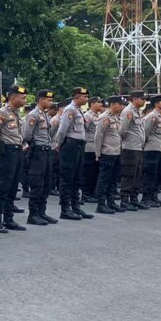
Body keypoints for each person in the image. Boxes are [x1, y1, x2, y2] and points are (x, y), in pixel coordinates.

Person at [0, 86, 28, 232]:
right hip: (7, 152)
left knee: (13, 187)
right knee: (3, 187)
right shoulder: (2, 113)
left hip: (17, 151)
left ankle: (9, 219)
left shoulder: (17, 113)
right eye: (22, 98)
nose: (24, 100)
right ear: (13, 98)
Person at [54, 86, 93, 221]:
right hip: (70, 145)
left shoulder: (78, 110)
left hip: (79, 145)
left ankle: (76, 206)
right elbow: (62, 130)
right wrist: (59, 145)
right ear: (76, 97)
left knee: (77, 177)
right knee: (67, 177)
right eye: (84, 97)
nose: (87, 99)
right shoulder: (70, 109)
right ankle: (65, 209)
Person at [23, 90, 56, 226]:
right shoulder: (33, 115)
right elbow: (27, 135)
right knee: (37, 183)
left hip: (46, 151)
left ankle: (42, 212)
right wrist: (34, 147)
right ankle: (33, 214)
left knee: (46, 182)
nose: (51, 102)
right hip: (37, 151)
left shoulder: (45, 115)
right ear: (41, 100)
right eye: (49, 100)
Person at [93, 96, 126, 213]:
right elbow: (98, 136)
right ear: (113, 104)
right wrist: (97, 153)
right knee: (104, 179)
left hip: (116, 152)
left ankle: (111, 202)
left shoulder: (116, 117)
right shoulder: (104, 117)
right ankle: (101, 204)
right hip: (107, 152)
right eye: (120, 104)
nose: (122, 107)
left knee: (113, 179)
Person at [118, 91, 147, 210]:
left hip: (138, 147)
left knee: (137, 174)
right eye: (142, 99)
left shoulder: (137, 111)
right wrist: (127, 142)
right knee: (128, 174)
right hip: (130, 147)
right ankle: (125, 200)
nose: (144, 101)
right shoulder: (128, 111)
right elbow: (122, 130)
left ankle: (134, 198)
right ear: (134, 99)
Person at [139, 95, 161, 207]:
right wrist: (144, 146)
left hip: (160, 148)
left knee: (158, 174)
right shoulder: (152, 116)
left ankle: (154, 196)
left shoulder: (160, 116)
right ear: (156, 104)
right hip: (151, 148)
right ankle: (146, 198)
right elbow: (145, 132)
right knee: (149, 174)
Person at [80, 97, 105, 205]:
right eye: (98, 102)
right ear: (92, 104)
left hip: (97, 148)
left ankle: (92, 192)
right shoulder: (88, 116)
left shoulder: (99, 116)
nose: (101, 104)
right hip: (89, 147)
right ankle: (85, 194)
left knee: (95, 172)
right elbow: (83, 130)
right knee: (88, 172)